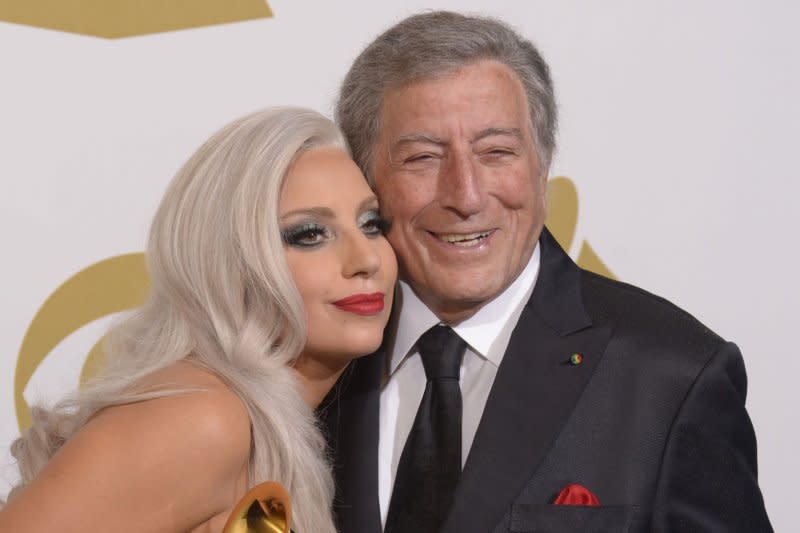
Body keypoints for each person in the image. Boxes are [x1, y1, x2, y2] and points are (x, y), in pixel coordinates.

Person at [322, 10, 773, 533]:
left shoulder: (672, 376)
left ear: (543, 164)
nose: (466, 196)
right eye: (423, 158)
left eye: (497, 152)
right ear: (363, 176)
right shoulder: (308, 361)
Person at [0, 107, 397, 533]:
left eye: (371, 224)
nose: (366, 259)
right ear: (229, 262)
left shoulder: (262, 421)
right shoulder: (205, 418)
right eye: (309, 235)